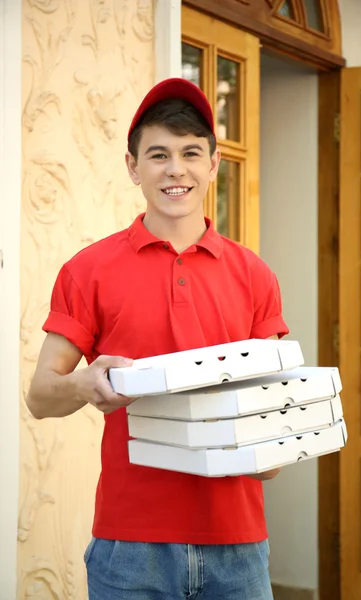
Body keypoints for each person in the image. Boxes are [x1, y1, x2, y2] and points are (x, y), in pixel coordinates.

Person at [27, 77, 289, 600]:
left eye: (192, 153)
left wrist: (274, 441)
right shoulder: (87, 270)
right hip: (131, 547)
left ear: (213, 165)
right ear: (133, 167)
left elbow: (275, 420)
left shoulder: (255, 275)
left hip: (237, 545)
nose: (176, 169)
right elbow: (39, 398)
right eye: (158, 154)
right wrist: (84, 384)